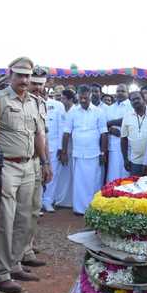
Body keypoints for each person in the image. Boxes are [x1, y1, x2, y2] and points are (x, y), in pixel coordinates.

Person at [0, 57, 48, 293]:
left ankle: (14, 264)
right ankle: (1, 273)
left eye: (27, 76)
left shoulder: (34, 102)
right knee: (6, 219)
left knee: (25, 217)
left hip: (29, 166)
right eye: (20, 75)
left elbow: (37, 135)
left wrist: (43, 162)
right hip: (8, 167)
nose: (24, 80)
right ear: (10, 75)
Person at [59, 85, 108, 215]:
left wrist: (103, 152)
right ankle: (79, 209)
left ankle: (92, 208)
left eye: (85, 97)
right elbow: (66, 133)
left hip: (94, 153)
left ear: (91, 96)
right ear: (77, 96)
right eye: (80, 97)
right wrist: (64, 152)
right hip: (78, 154)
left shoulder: (99, 112)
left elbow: (104, 133)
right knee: (79, 183)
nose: (83, 100)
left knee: (94, 182)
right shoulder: (73, 112)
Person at [20, 72, 51, 269]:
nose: (37, 87)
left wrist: (46, 162)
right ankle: (18, 253)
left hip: (36, 160)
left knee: (34, 208)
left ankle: (27, 247)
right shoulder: (22, 101)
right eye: (34, 83)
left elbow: (43, 136)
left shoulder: (41, 103)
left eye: (41, 84)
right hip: (20, 161)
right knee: (20, 211)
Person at [42, 85, 66, 212]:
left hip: (53, 146)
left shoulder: (57, 105)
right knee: (37, 175)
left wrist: (61, 147)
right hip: (37, 148)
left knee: (53, 175)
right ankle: (37, 202)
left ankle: (48, 201)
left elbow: (62, 127)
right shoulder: (31, 102)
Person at [121, 91, 147, 176]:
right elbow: (123, 139)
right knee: (136, 187)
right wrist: (125, 159)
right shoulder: (127, 116)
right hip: (135, 162)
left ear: (144, 99)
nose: (135, 101)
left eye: (138, 98)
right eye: (133, 100)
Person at [53, 89, 76, 208]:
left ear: (70, 100)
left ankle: (70, 200)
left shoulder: (76, 111)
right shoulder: (61, 111)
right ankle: (60, 198)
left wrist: (64, 150)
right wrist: (60, 147)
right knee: (62, 173)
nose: (61, 100)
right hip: (61, 146)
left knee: (71, 173)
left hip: (72, 146)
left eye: (63, 98)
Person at [104, 83, 132, 183]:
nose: (119, 93)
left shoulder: (131, 106)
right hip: (113, 146)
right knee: (112, 175)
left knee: (125, 175)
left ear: (128, 93)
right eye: (118, 91)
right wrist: (111, 130)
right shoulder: (110, 108)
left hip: (127, 146)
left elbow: (127, 120)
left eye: (123, 91)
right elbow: (104, 124)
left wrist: (111, 123)